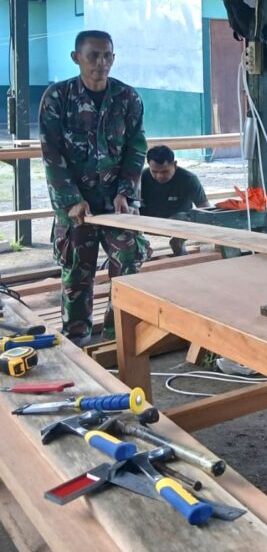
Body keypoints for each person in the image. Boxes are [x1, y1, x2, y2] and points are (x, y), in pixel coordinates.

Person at [41, 30, 148, 346]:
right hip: (77, 208)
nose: (101, 63)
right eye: (93, 56)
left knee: (128, 264)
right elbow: (52, 152)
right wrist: (71, 200)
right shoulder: (57, 98)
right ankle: (78, 340)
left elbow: (136, 149)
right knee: (77, 272)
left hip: (118, 205)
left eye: (107, 56)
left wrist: (126, 192)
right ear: (76, 58)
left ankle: (120, 339)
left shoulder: (128, 98)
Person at [140, 145, 210, 256]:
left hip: (178, 223)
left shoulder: (189, 179)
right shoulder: (141, 177)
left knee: (192, 217)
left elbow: (205, 209)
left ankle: (178, 242)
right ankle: (141, 247)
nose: (159, 176)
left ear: (175, 165)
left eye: (164, 172)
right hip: (149, 221)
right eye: (154, 171)